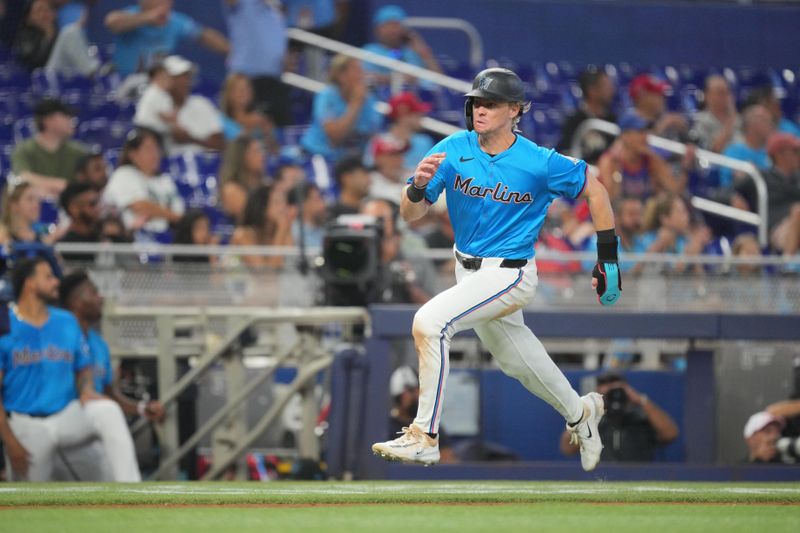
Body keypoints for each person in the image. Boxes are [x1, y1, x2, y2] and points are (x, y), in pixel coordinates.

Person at [371, 68, 621, 470]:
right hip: (467, 270)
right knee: (516, 361)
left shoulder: (538, 161)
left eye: (491, 103)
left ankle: (424, 436)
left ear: (516, 110)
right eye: (476, 102)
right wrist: (416, 188)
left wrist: (607, 255)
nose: (480, 109)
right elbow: (410, 214)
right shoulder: (454, 148)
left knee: (430, 323)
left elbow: (595, 188)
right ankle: (581, 414)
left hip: (510, 273)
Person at [0, 257, 141, 481]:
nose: (56, 282)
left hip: (66, 415)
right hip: (26, 424)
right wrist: (10, 441)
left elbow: (83, 367)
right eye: (48, 277)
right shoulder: (4, 324)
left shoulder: (65, 320)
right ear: (29, 283)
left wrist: (86, 389)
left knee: (108, 411)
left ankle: (132, 490)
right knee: (27, 504)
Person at [60, 270, 165, 425]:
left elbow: (110, 396)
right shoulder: (58, 340)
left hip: (95, 424)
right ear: (77, 301)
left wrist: (143, 408)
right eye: (94, 293)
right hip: (64, 421)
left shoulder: (99, 344)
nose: (101, 298)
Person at [559, 373, 679, 462]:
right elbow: (567, 448)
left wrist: (641, 400)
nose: (613, 393)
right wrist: (592, 406)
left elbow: (670, 434)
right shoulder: (594, 422)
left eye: (617, 388)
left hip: (640, 480)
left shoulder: (641, 419)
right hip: (600, 480)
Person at [104, 0, 229, 77]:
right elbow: (111, 22)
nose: (166, 3)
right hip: (126, 81)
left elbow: (203, 35)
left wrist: (232, 52)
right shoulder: (132, 13)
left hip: (158, 86)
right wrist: (147, 18)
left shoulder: (175, 21)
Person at [102, 127, 185, 237]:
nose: (155, 154)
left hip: (165, 237)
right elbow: (140, 206)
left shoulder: (165, 181)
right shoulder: (124, 174)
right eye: (149, 149)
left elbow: (179, 210)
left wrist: (160, 213)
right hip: (134, 238)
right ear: (133, 154)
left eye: (157, 149)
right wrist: (176, 218)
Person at [300, 54, 383, 163]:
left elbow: (373, 134)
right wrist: (355, 104)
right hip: (319, 155)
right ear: (341, 76)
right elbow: (335, 138)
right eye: (356, 70)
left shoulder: (368, 98)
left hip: (353, 159)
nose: (362, 75)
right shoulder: (327, 96)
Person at [222, 0, 291, 127]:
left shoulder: (277, 8)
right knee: (245, 132)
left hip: (274, 80)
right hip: (246, 80)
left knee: (278, 129)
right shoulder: (242, 3)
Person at [734, 132, 800, 257]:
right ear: (780, 154)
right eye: (795, 151)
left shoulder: (798, 177)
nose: (798, 156)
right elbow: (721, 193)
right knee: (797, 212)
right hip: (778, 230)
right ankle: (788, 266)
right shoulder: (760, 177)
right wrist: (733, 198)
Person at [597, 111, 687, 200]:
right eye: (640, 132)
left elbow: (674, 190)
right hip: (617, 212)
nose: (645, 137)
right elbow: (610, 200)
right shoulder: (609, 161)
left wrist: (685, 168)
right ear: (625, 136)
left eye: (646, 131)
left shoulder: (650, 159)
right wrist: (617, 168)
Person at [11, 97, 88, 197]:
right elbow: (23, 178)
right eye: (65, 116)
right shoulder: (24, 151)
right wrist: (63, 185)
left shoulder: (80, 152)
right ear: (48, 121)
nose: (71, 120)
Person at [361, 4, 442, 86]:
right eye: (388, 25)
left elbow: (440, 81)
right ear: (377, 29)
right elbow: (366, 78)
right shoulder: (369, 51)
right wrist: (399, 78)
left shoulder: (411, 53)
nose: (392, 30)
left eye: (396, 25)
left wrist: (423, 51)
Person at [161, 55, 225, 156]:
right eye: (177, 78)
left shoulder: (202, 104)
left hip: (205, 166)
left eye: (186, 77)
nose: (184, 82)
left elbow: (220, 144)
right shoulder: (158, 108)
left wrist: (189, 138)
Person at [556, 67, 618, 164]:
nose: (611, 90)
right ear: (592, 91)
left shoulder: (613, 120)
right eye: (605, 86)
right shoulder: (575, 121)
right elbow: (566, 154)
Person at [229, 184, 296, 268]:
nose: (283, 207)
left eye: (283, 202)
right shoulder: (243, 235)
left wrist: (284, 230)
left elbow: (290, 266)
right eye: (277, 202)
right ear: (262, 207)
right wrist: (281, 230)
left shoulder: (283, 231)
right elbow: (267, 276)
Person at [719, 104, 774, 188]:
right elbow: (737, 179)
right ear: (751, 124)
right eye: (766, 121)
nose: (771, 126)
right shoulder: (734, 151)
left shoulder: (770, 152)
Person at [218, 135, 268, 223]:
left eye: (261, 151)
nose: (262, 156)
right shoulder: (231, 189)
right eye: (256, 152)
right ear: (242, 157)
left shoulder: (263, 183)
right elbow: (250, 221)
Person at [218, 73, 276, 148]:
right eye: (239, 89)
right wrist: (249, 128)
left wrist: (268, 134)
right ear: (229, 94)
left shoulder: (259, 118)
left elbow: (275, 152)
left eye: (247, 88)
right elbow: (233, 150)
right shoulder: (221, 121)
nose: (245, 92)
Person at [628, 73, 689, 142]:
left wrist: (683, 129)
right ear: (643, 95)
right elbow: (636, 144)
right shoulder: (630, 118)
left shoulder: (659, 118)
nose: (662, 99)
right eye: (657, 94)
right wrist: (663, 125)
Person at [690, 75, 742, 154]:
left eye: (727, 92)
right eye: (720, 92)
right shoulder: (700, 121)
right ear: (707, 96)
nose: (725, 96)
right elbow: (713, 150)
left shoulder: (740, 119)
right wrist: (729, 123)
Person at [58, 181, 102, 262]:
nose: (98, 209)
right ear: (74, 208)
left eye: (98, 202)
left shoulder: (103, 237)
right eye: (92, 204)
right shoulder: (66, 247)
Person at [0, 180, 54, 246]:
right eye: (30, 199)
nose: (36, 205)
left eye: (38, 200)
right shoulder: (3, 238)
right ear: (13, 205)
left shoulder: (43, 239)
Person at [132, 61, 174, 137]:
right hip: (147, 133)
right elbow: (165, 116)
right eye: (164, 76)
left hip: (156, 133)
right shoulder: (153, 92)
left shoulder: (162, 93)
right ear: (156, 77)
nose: (168, 79)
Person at [13, 0, 57, 71]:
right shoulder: (24, 37)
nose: (44, 14)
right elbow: (33, 64)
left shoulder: (59, 33)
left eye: (47, 10)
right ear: (28, 19)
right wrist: (48, 37)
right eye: (39, 10)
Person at [368, 133, 411, 205]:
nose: (398, 160)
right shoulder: (371, 181)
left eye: (399, 155)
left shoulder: (408, 175)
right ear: (377, 158)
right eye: (392, 155)